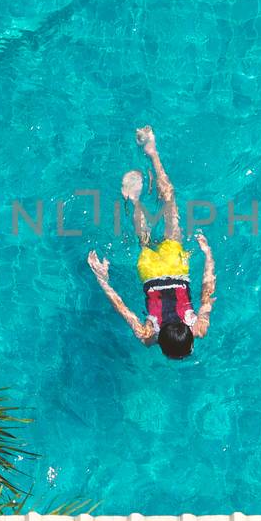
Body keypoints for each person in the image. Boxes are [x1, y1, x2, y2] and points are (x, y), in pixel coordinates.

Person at [87, 126, 215, 358]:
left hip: (176, 268)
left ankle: (152, 152)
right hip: (150, 272)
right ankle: (134, 200)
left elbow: (207, 292)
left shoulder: (198, 328)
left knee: (170, 203)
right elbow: (121, 307)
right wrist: (102, 279)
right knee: (143, 240)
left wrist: (208, 256)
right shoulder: (148, 336)